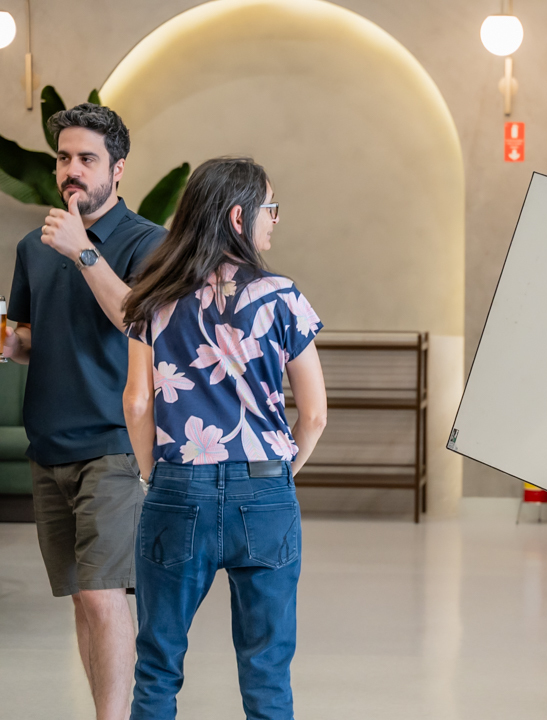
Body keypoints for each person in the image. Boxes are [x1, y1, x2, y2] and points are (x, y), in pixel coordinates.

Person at [122, 156, 327, 720]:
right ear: (239, 217)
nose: (274, 219)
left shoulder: (152, 296)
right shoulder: (280, 296)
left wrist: (154, 475)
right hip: (264, 492)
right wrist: (279, 474)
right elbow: (314, 415)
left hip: (177, 487)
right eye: (269, 209)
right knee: (267, 672)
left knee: (158, 665)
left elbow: (137, 402)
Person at [4, 103, 166, 720]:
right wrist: (8, 343)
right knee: (81, 598)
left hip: (114, 444)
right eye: (64, 158)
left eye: (87, 159)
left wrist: (84, 253)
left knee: (103, 596)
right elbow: (30, 339)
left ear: (117, 169)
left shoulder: (148, 242)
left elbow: (139, 320)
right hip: (48, 445)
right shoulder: (34, 245)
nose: (72, 170)